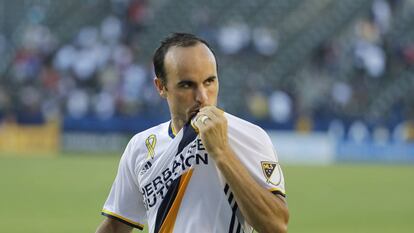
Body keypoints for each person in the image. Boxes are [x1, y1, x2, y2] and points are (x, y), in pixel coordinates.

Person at [96, 33, 289, 233]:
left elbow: (276, 226)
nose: (202, 97)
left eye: (209, 81)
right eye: (187, 85)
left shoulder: (248, 136)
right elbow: (115, 226)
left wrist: (222, 153)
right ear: (161, 87)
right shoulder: (141, 146)